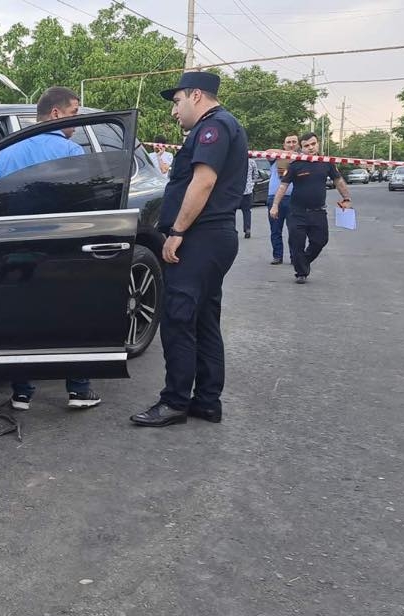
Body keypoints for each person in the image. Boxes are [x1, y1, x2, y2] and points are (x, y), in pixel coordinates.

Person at [130, 71, 247, 428]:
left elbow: (204, 181)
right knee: (204, 319)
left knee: (179, 318)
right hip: (213, 238)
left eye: (177, 101)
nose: (173, 111)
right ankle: (207, 402)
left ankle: (175, 402)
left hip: (200, 237)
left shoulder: (213, 127)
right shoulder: (223, 125)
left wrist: (178, 231)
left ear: (197, 95)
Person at [0, 86, 101, 411]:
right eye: (73, 114)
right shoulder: (72, 152)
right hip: (62, 248)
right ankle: (78, 390)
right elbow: (88, 202)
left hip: (16, 247)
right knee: (70, 318)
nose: (76, 123)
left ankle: (21, 393)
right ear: (56, 113)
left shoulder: (7, 152)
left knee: (20, 319)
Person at [269, 132, 352, 283]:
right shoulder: (295, 164)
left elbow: (338, 181)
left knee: (320, 241)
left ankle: (303, 261)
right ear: (301, 148)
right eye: (306, 145)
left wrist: (346, 198)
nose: (311, 148)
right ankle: (301, 273)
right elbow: (283, 186)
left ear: (318, 144)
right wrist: (275, 206)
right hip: (296, 212)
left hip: (318, 212)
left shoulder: (327, 163)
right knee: (297, 244)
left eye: (313, 144)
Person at [267, 134, 299, 264]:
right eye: (288, 142)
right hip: (274, 198)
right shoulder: (276, 157)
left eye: (294, 142)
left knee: (294, 230)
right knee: (275, 229)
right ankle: (277, 256)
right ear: (284, 145)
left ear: (298, 144)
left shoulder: (301, 158)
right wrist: (287, 153)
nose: (291, 144)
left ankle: (294, 256)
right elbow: (268, 152)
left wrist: (294, 155)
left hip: (294, 198)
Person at [237, 156, 260, 239]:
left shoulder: (235, 160)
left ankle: (232, 229)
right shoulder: (251, 162)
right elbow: (256, 174)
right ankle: (247, 229)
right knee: (247, 211)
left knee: (232, 211)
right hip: (248, 190)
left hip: (236, 190)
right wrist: (251, 182)